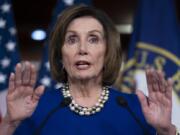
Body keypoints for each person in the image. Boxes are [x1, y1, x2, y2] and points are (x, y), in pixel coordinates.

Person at [0, 4, 178, 135]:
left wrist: (166, 130)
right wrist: (8, 124)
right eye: (72, 40)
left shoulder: (138, 109)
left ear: (108, 52)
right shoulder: (34, 109)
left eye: (93, 39)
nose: (82, 49)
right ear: (60, 54)